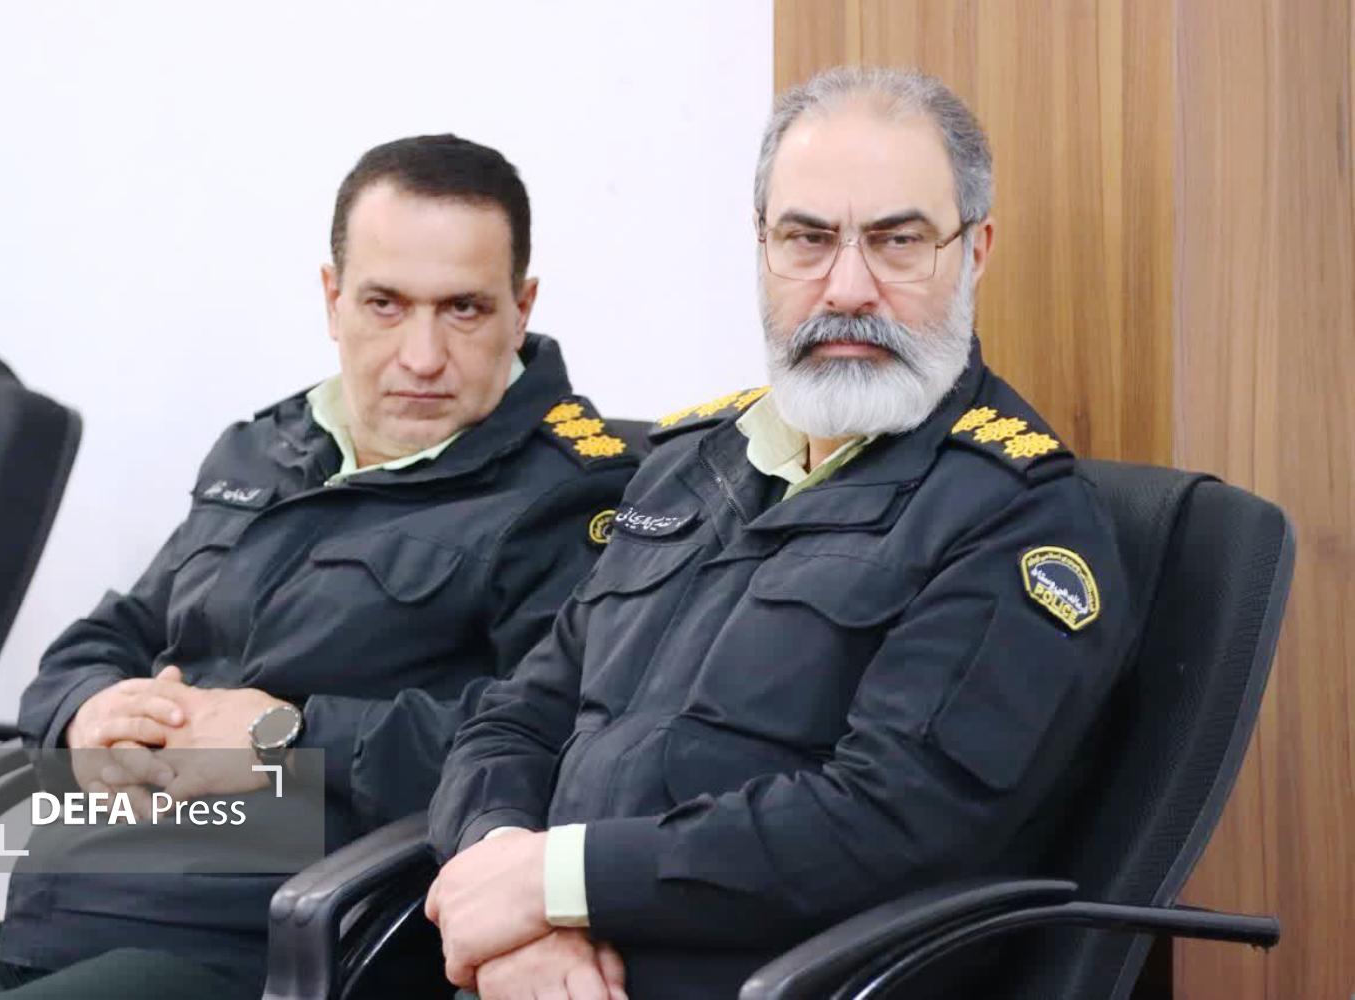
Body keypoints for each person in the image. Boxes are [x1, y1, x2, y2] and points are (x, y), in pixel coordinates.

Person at [0, 134, 637, 999]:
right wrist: (89, 709)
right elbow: (113, 633)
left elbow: (549, 743)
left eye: (463, 309)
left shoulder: (571, 495)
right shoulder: (267, 448)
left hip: (268, 945)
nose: (421, 356)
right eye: (384, 304)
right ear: (333, 298)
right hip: (66, 903)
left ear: (520, 308)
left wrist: (286, 735)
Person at [425, 67, 1133, 1000]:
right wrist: (510, 889)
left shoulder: (1018, 517)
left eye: (898, 241)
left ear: (975, 251)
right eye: (808, 238)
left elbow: (889, 826)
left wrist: (557, 883)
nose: (848, 288)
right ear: (761, 245)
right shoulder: (690, 464)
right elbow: (517, 717)